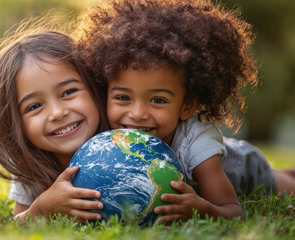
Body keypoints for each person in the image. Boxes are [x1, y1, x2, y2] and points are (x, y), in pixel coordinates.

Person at [76, 0, 295, 223]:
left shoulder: (198, 141)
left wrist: (200, 210)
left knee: (287, 183)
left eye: (158, 100)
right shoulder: (103, 134)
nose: (138, 113)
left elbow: (232, 211)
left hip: (242, 167)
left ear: (187, 106)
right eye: (123, 97)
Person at [0, 18, 109, 223]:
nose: (57, 113)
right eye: (34, 106)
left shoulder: (127, 138)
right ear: (14, 125)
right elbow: (17, 221)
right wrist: (42, 208)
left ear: (93, 86)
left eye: (68, 92)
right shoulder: (30, 164)